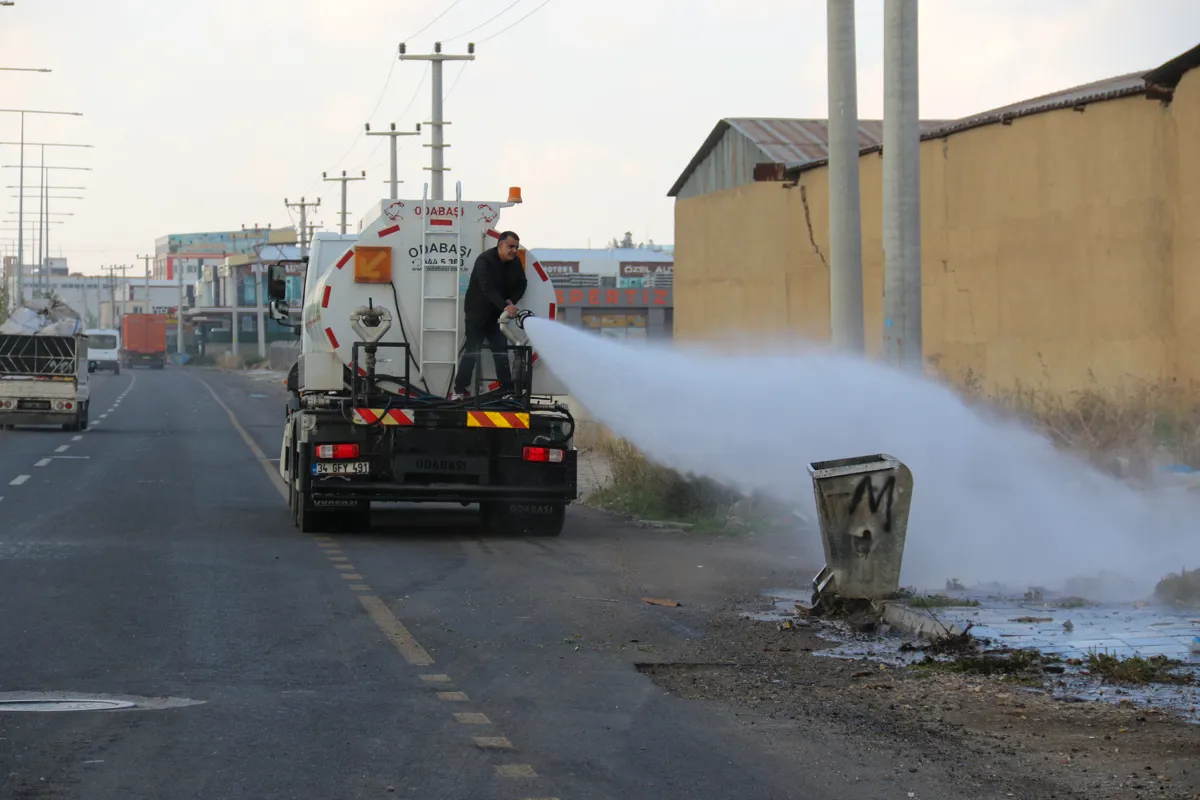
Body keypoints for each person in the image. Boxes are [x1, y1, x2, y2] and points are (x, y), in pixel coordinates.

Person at [451, 230, 527, 399]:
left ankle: (507, 391)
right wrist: (505, 306)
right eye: (511, 247)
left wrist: (511, 300)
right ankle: (459, 390)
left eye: (516, 247)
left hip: (497, 317)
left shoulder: (515, 262)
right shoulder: (484, 260)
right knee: (472, 352)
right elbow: (487, 288)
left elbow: (522, 283)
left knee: (501, 353)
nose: (514, 251)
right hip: (477, 315)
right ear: (500, 245)